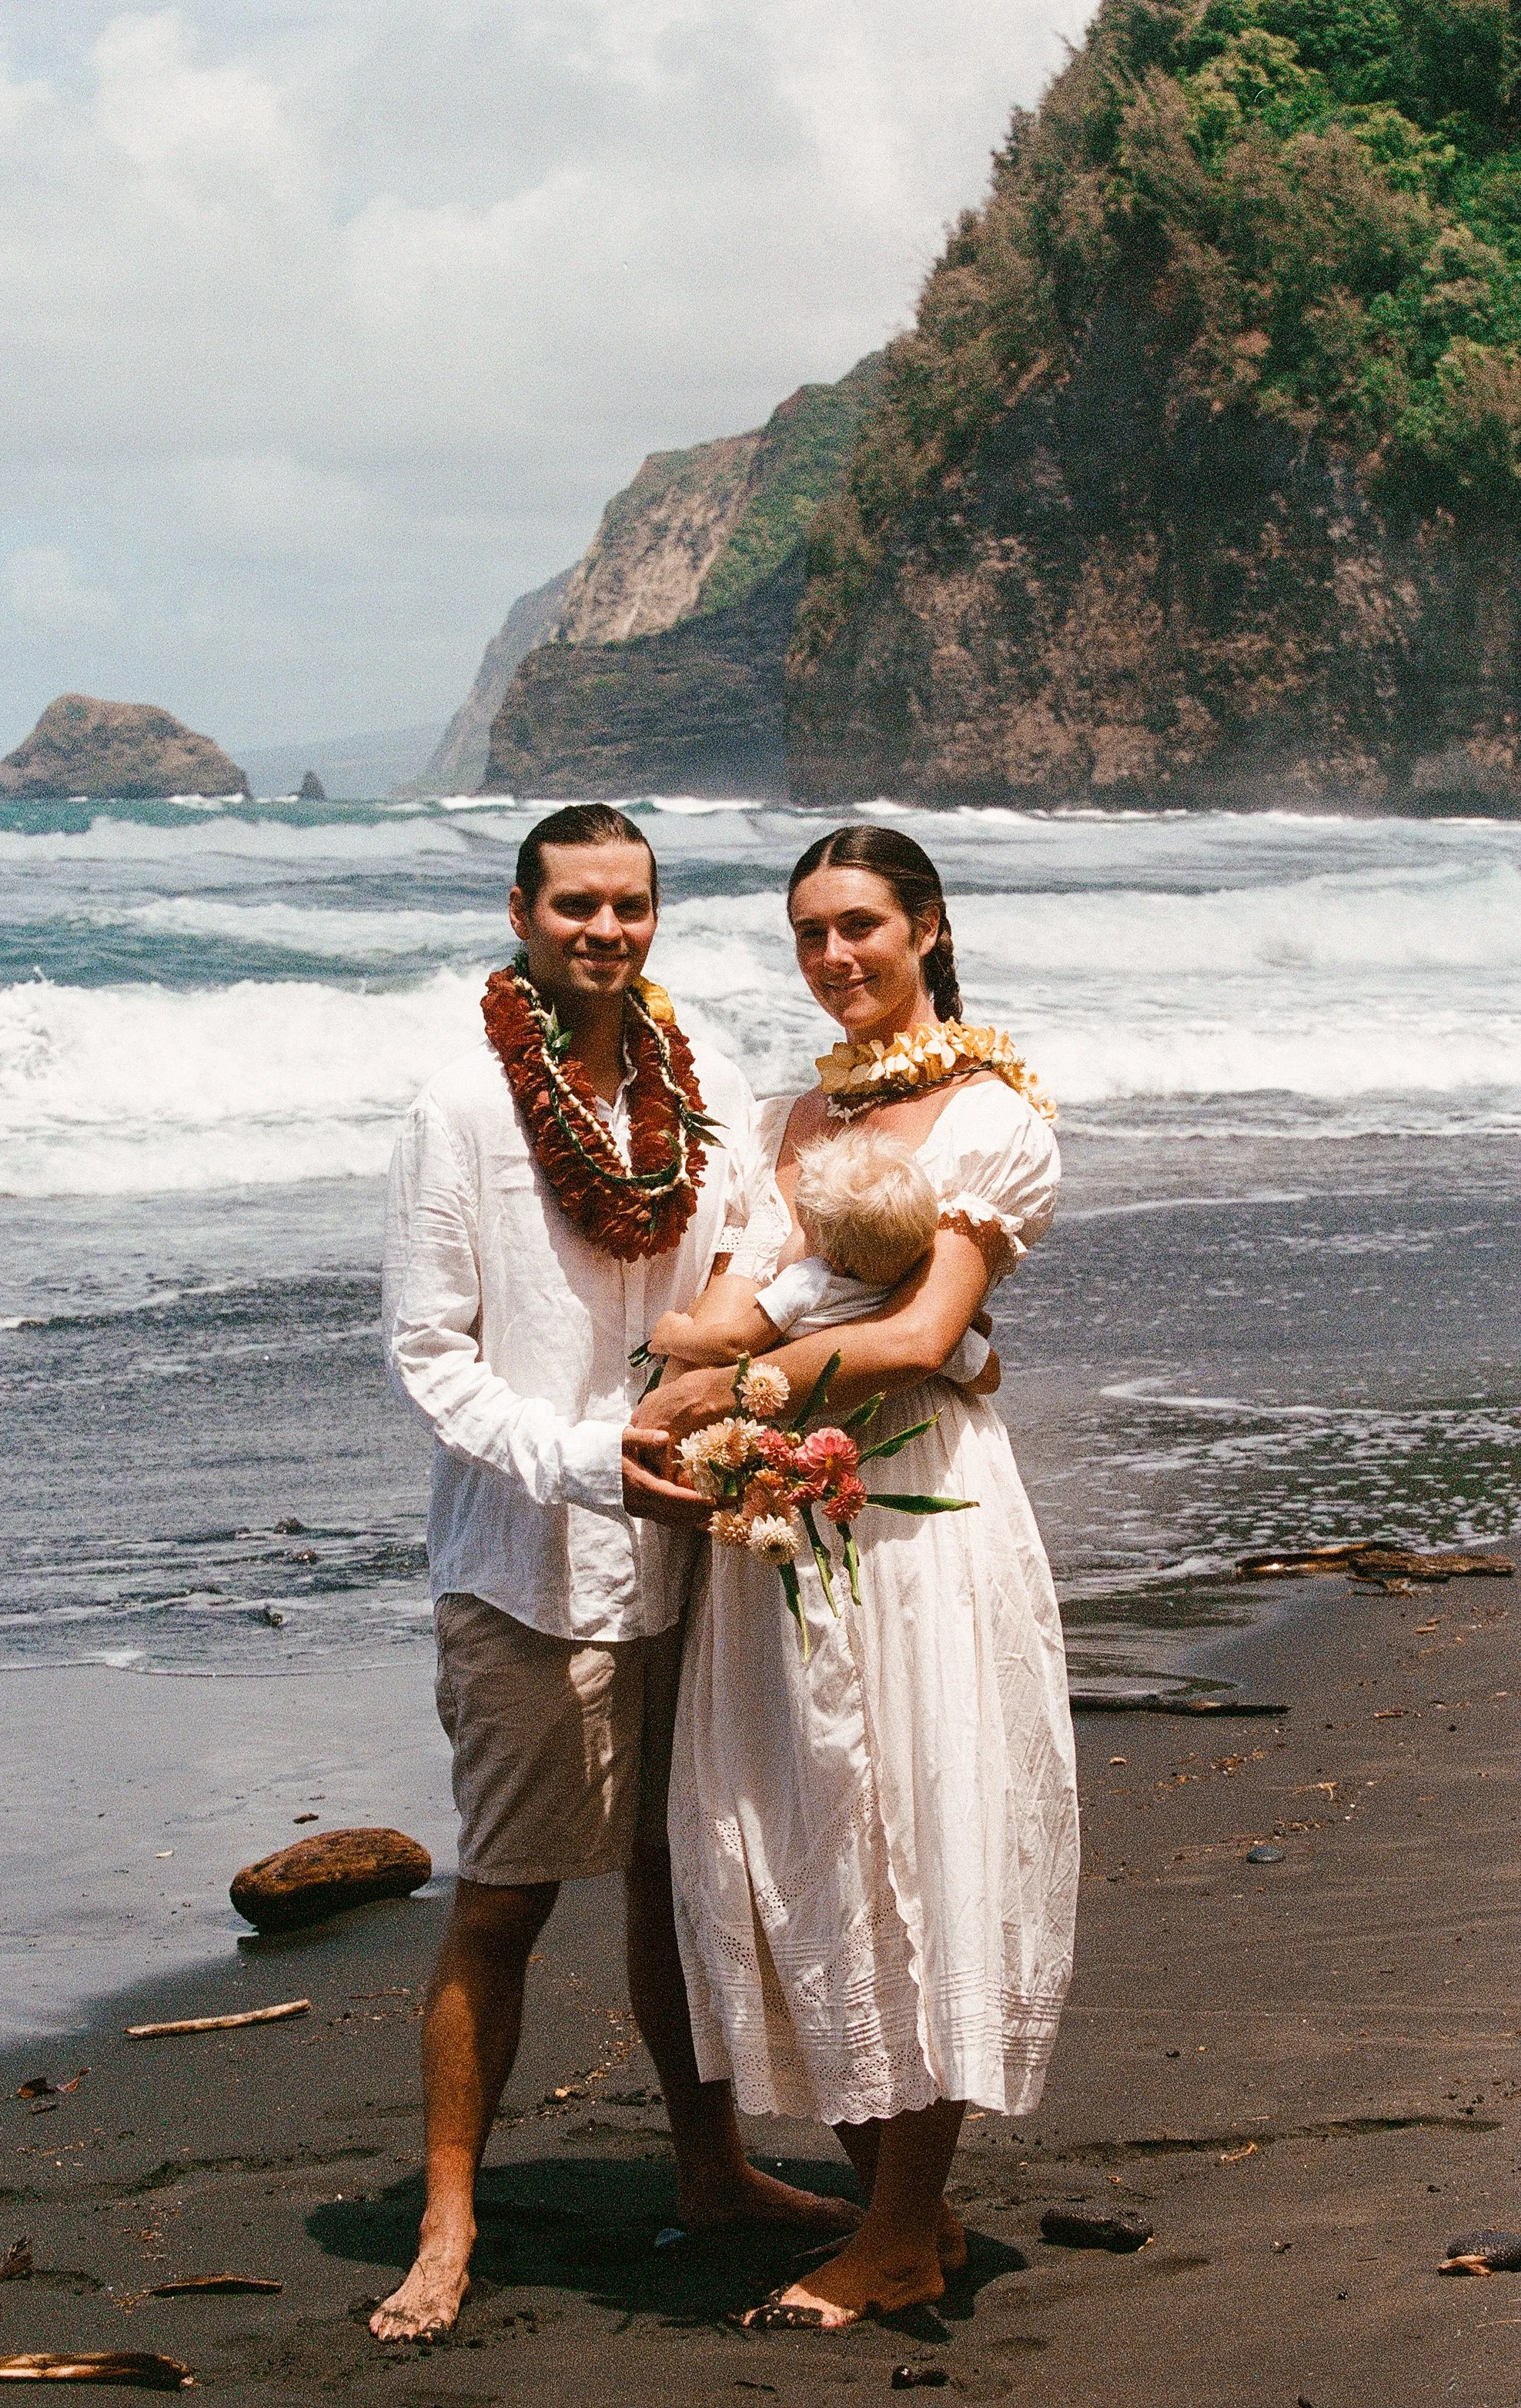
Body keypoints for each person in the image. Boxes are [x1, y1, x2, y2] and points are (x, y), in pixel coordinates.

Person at [373, 803, 857, 2343]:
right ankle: (447, 2214)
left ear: (654, 913)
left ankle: (707, 2165)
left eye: (629, 904)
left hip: (693, 1543)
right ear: (520, 911)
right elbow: (425, 1352)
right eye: (574, 903)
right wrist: (586, 1454)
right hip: (525, 1558)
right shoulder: (461, 1106)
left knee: (678, 1877)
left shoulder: (693, 1066)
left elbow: (754, 1231)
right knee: (507, 1895)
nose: (604, 929)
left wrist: (708, 1357)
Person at [637, 823, 1080, 2330]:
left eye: (860, 927)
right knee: (795, 1838)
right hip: (775, 1528)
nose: (833, 958)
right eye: (808, 932)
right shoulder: (773, 1120)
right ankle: (911, 2208)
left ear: (928, 926)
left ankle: (892, 2232)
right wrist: (684, 1385)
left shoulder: (990, 1121)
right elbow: (705, 1318)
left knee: (916, 1824)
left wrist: (740, 1376)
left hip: (910, 1521)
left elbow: (909, 1334)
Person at [647, 1122, 1001, 1396]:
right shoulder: (910, 1296)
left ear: (834, 1258)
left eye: (806, 1232)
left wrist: (673, 1337)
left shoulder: (810, 1281)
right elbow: (988, 1375)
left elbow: (734, 1343)